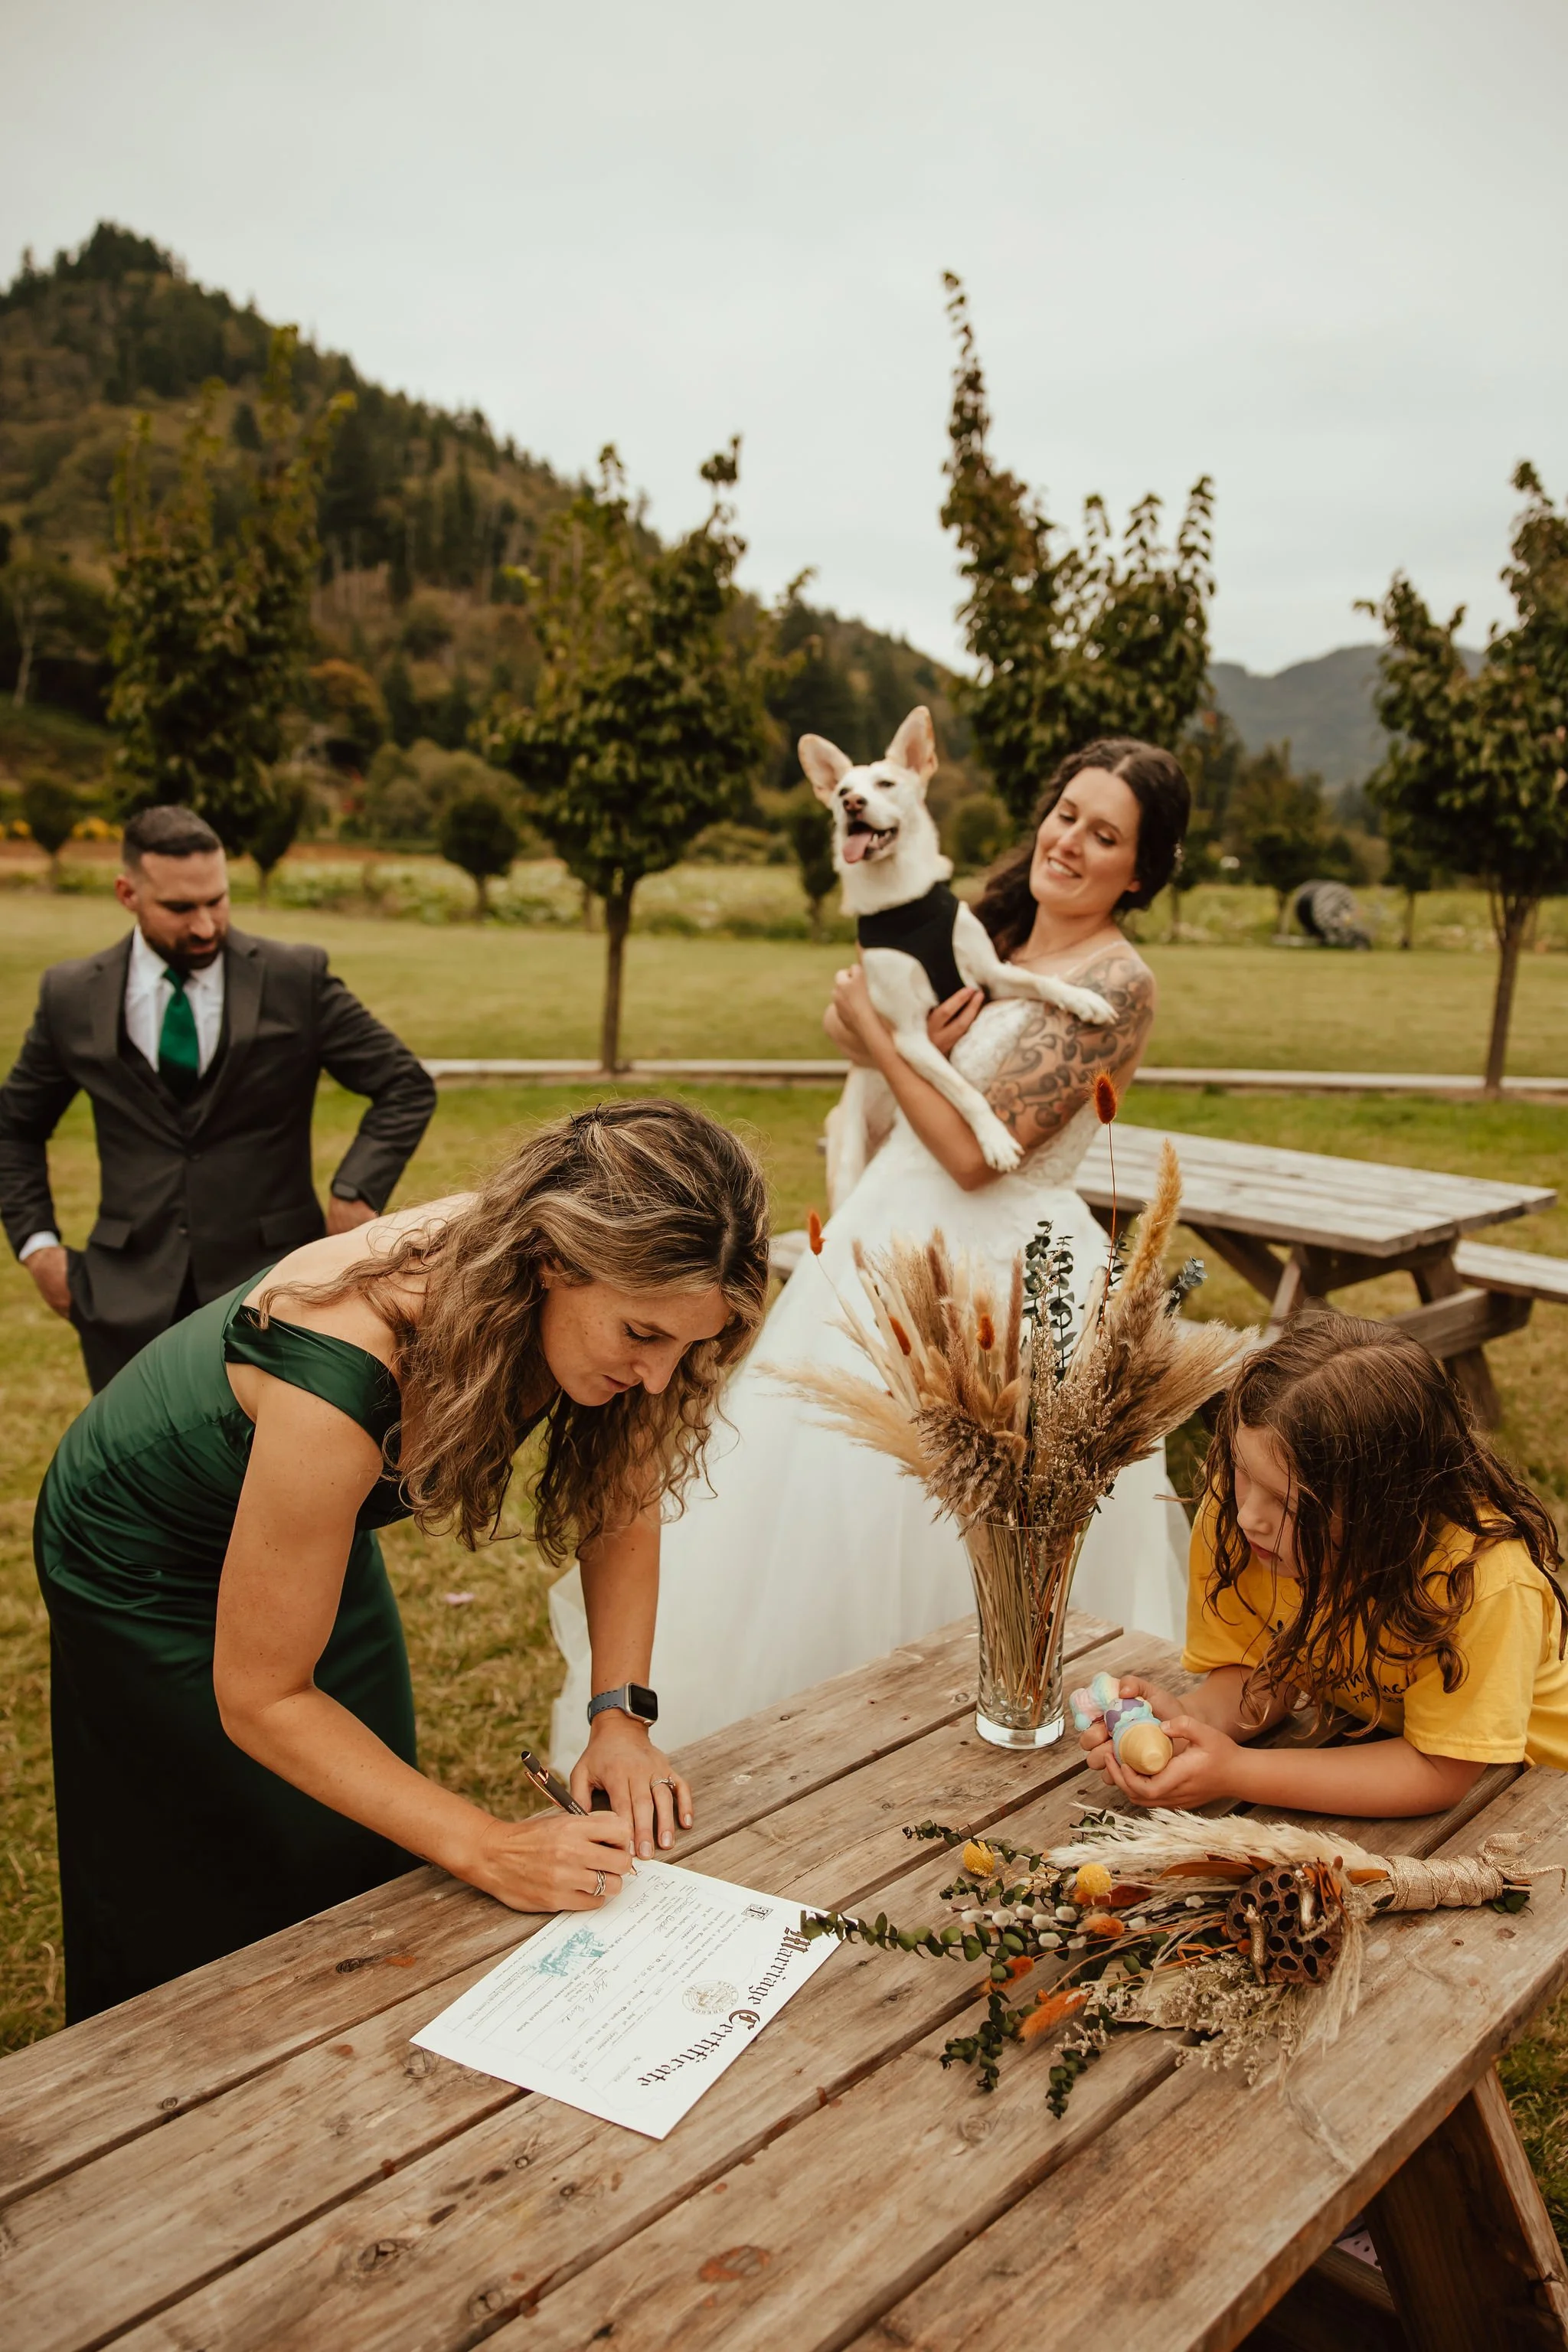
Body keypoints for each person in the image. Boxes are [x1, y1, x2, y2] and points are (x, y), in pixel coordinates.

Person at [34, 1098, 770, 2022]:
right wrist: (486, 1846)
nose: (658, 1377)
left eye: (685, 1345)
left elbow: (620, 1505)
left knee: (352, 1825)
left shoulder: (590, 1288)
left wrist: (620, 1717)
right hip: (143, 1549)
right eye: (642, 1337)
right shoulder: (346, 1362)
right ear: (553, 1260)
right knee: (194, 1845)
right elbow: (261, 1696)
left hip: (313, 1520)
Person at [551, 737, 1194, 1759]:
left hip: (1005, 1280)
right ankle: (813, 1744)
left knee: (965, 1521)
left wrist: (884, 1039)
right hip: (882, 1237)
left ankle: (986, 1719)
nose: (1069, 842)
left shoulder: (1117, 978)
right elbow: (884, 1075)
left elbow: (977, 1157)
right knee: (822, 1511)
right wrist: (873, 1036)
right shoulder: (985, 935)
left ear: (1142, 870)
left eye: (1104, 835)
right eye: (1065, 815)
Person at [0, 803, 437, 1393]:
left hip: (277, 1292)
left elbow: (403, 1083)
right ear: (127, 893)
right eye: (181, 908)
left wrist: (355, 1189)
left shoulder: (294, 978)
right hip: (124, 1300)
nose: (206, 926)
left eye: (217, 901)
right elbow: (15, 1127)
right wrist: (39, 1248)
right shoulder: (71, 994)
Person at [1080, 1312, 1568, 1815]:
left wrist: (1235, 1772)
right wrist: (1187, 1723)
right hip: (1380, 1751)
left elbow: (1438, 1772)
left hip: (1534, 1796)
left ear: (1382, 1509)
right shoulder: (1242, 1518)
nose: (1249, 1517)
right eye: (1241, 1468)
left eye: (1287, 1502)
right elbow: (1262, 1673)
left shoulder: (1479, 1581)